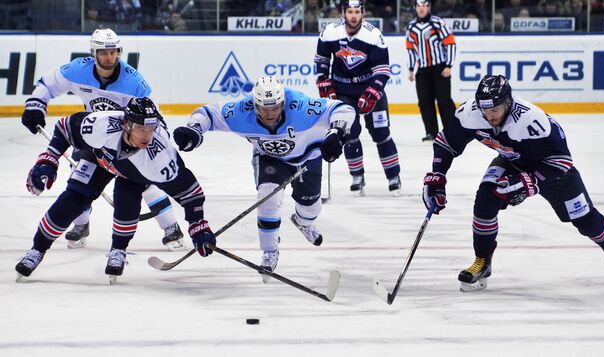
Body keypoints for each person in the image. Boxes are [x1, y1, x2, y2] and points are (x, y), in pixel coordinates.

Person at [421, 75, 604, 292]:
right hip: (512, 161)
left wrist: (531, 182)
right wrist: (437, 177)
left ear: (507, 103)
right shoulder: (470, 114)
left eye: (494, 109)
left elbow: (561, 161)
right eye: (485, 110)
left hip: (551, 171)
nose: (489, 115)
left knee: (585, 219)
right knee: (485, 202)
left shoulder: (531, 120)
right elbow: (445, 144)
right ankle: (482, 262)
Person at [16, 98, 216, 282]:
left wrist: (197, 223)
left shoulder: (159, 157)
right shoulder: (102, 125)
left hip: (134, 173)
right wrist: (49, 159)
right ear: (126, 125)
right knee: (73, 199)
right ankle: (37, 250)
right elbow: (64, 128)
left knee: (127, 202)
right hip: (100, 159)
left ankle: (118, 250)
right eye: (141, 129)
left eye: (151, 129)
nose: (147, 136)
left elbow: (190, 192)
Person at [173, 76, 355, 279]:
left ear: (283, 103)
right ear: (255, 104)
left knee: (310, 207)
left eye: (275, 108)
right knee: (267, 198)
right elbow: (208, 113)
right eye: (264, 108)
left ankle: (303, 221)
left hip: (308, 158)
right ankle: (269, 252)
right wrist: (193, 130)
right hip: (270, 159)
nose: (270, 114)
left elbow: (343, 109)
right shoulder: (242, 111)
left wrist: (336, 132)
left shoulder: (301, 106)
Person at [20, 28, 185, 251]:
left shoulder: (134, 81)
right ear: (93, 53)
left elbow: (152, 116)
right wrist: (35, 106)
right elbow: (48, 84)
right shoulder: (79, 69)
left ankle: (171, 226)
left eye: (113, 52)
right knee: (80, 180)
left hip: (125, 140)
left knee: (143, 181)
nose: (109, 57)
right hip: (94, 133)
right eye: (104, 53)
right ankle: (81, 225)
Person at [314, 0, 402, 196]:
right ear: (343, 12)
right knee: (349, 133)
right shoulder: (330, 32)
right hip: (343, 91)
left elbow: (383, 70)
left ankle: (393, 176)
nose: (353, 16)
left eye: (357, 12)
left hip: (369, 89)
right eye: (350, 12)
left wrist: (373, 92)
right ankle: (357, 176)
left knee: (381, 133)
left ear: (363, 13)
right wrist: (323, 82)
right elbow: (321, 59)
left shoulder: (373, 35)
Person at [406, 0, 457, 142]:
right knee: (424, 102)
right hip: (422, 70)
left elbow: (450, 43)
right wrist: (411, 69)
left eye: (424, 6)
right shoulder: (411, 26)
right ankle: (431, 132)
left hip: (440, 68)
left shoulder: (438, 23)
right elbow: (410, 49)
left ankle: (452, 130)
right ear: (415, 8)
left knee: (444, 101)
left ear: (429, 7)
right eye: (419, 6)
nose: (421, 8)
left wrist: (449, 65)